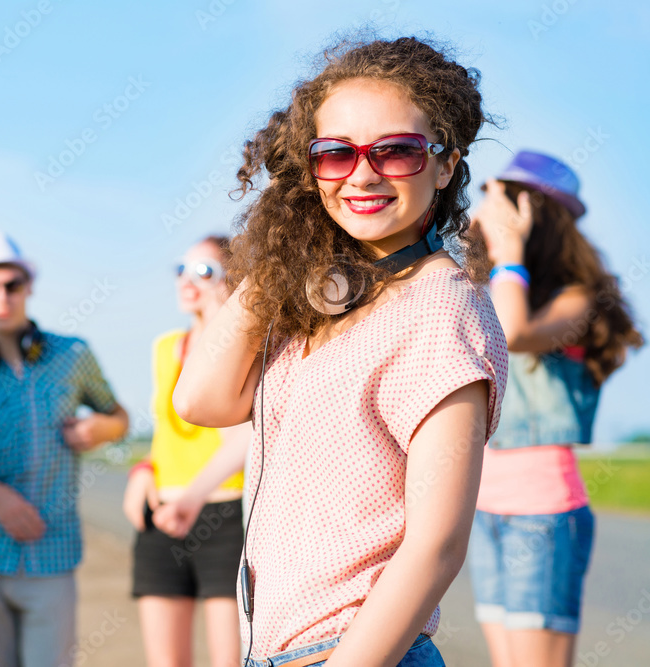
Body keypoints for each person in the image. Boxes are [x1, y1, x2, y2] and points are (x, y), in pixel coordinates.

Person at [171, 36, 510, 667]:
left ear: (445, 165)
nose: (362, 173)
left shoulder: (442, 305)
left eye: (397, 151)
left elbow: (437, 544)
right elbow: (200, 400)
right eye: (334, 155)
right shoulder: (312, 298)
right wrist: (282, 246)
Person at [0, 230, 130, 667]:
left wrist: (101, 428)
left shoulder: (74, 354)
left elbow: (120, 418)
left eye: (12, 285)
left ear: (29, 285)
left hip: (53, 555)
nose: (2, 297)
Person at [468, 151, 643, 667]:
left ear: (532, 215)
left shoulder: (579, 301)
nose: (483, 212)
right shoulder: (496, 288)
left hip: (543, 511)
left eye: (498, 201)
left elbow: (516, 334)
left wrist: (509, 251)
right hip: (482, 509)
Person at [122, 235, 252, 667]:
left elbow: (244, 436)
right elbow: (165, 432)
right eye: (181, 269)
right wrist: (142, 470)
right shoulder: (165, 348)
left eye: (204, 271)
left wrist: (195, 495)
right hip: (162, 516)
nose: (186, 281)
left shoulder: (248, 347)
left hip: (227, 516)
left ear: (232, 279)